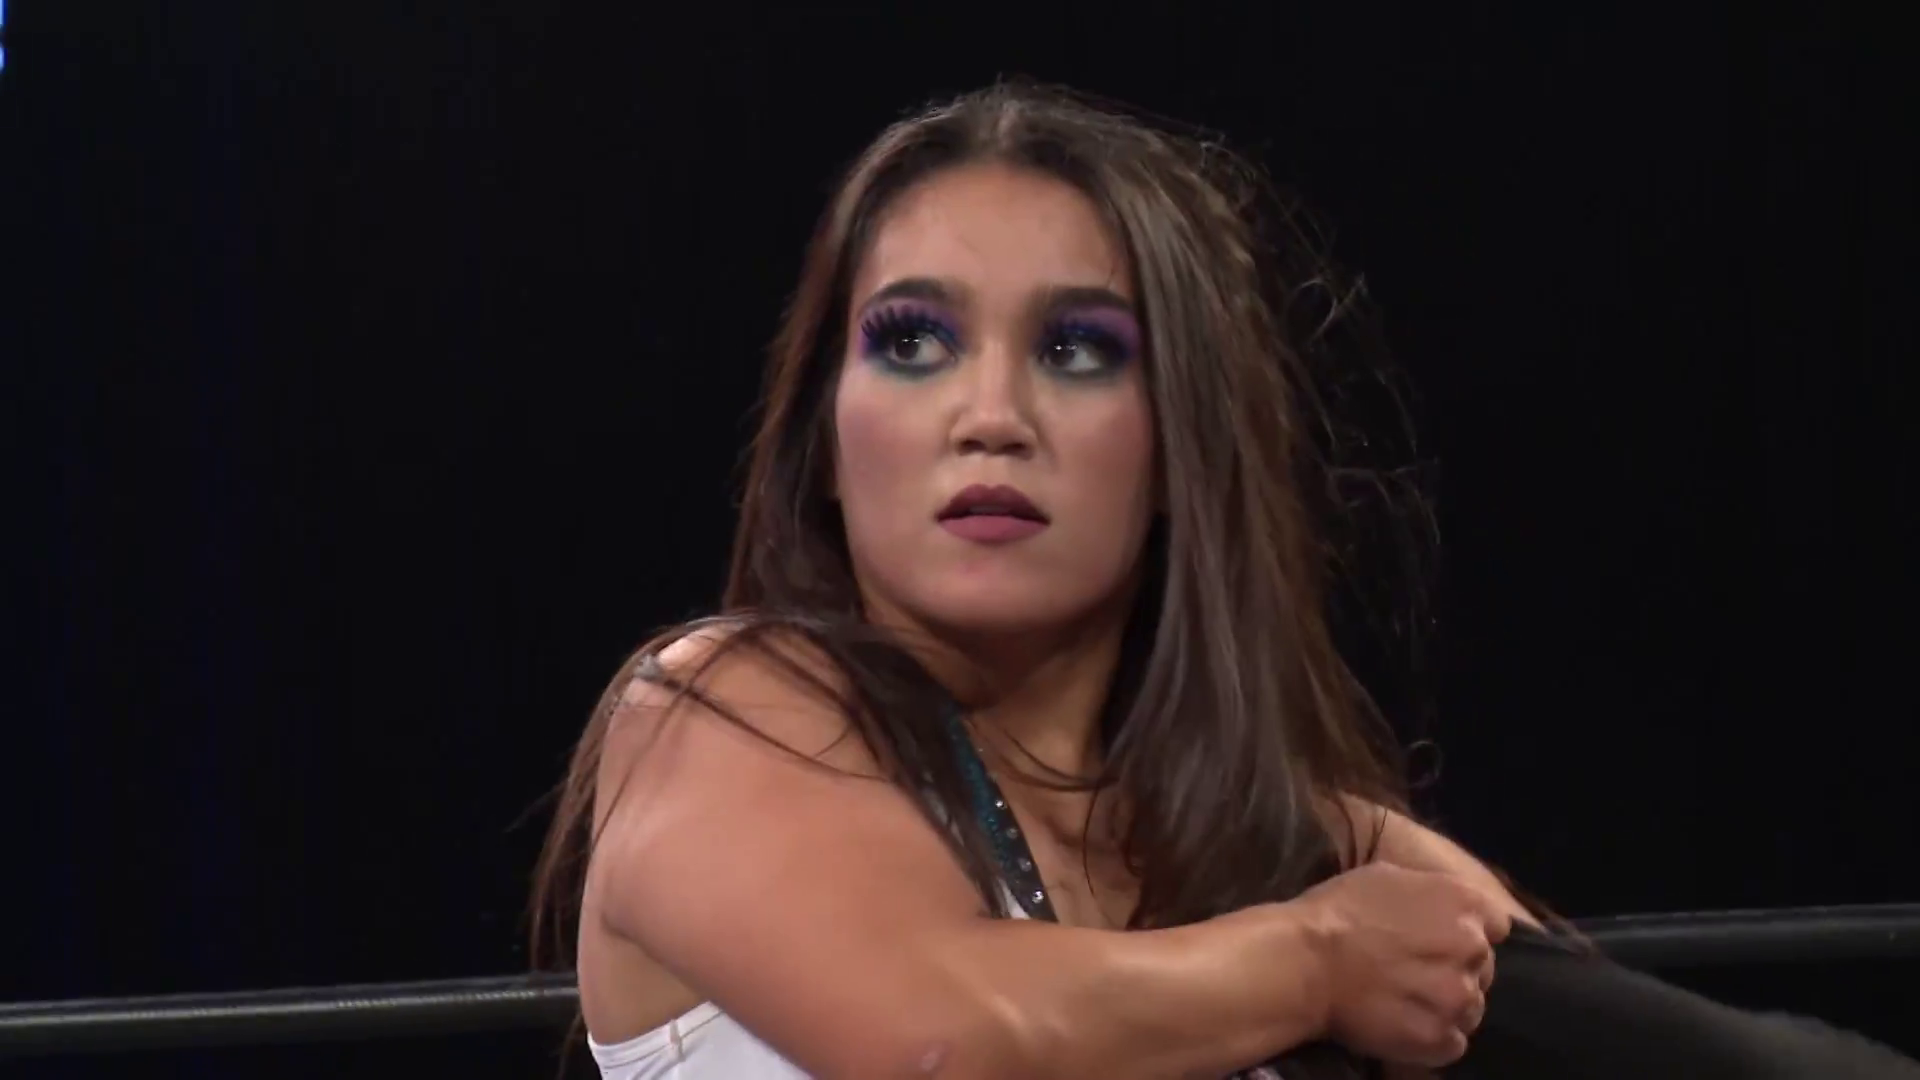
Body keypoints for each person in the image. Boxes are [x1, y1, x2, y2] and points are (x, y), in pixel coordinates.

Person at [530, 80, 1548, 1080]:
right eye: (913, 342)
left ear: (1180, 449)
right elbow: (942, 1043)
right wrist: (1319, 963)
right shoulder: (718, 716)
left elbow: (1579, 1025)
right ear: (825, 443)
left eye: (1076, 350)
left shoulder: (1264, 835)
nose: (991, 417)